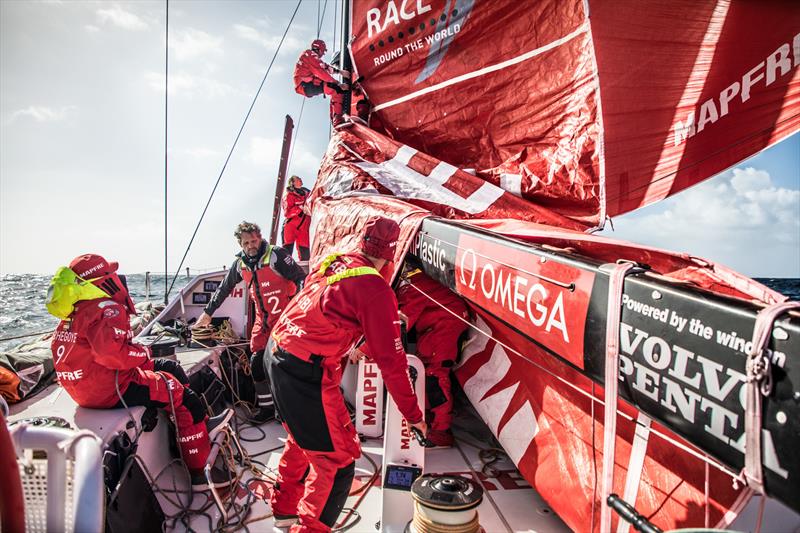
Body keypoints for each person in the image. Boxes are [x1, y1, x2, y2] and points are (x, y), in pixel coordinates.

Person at [267, 216, 427, 532]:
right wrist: (414, 415)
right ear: (392, 255)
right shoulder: (376, 289)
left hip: (277, 353)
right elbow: (393, 364)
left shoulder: (336, 260)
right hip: (304, 373)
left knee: (304, 438)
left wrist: (379, 319)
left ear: (362, 241)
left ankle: (284, 510)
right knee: (338, 464)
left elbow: (331, 303)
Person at [48, 254, 233, 489]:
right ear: (102, 279)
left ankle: (193, 429)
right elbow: (111, 355)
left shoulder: (74, 313)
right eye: (111, 273)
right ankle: (199, 472)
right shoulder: (106, 309)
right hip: (109, 388)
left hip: (87, 387)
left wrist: (138, 354)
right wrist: (143, 353)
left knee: (170, 367)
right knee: (178, 392)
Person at [194, 221, 305, 422]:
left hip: (285, 321)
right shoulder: (240, 264)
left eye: (254, 241)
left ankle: (286, 412)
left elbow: (300, 278)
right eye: (246, 243)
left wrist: (303, 308)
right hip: (263, 324)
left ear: (260, 238)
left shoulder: (276, 255)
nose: (251, 246)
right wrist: (207, 313)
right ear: (240, 244)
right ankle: (267, 409)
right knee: (256, 365)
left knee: (281, 366)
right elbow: (223, 289)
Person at [394, 266, 470, 447]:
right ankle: (433, 417)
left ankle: (441, 431)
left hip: (444, 326)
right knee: (429, 371)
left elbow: (398, 324)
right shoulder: (410, 279)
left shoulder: (409, 287)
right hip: (438, 326)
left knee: (435, 374)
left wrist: (364, 349)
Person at [293, 39, 349, 125]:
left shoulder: (310, 56)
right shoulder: (310, 55)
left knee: (332, 89)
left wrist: (340, 72)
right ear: (320, 49)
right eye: (323, 52)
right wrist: (338, 84)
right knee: (336, 89)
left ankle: (335, 117)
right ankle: (337, 120)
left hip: (305, 84)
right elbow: (321, 72)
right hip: (305, 85)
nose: (323, 54)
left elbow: (325, 67)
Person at [282, 176, 311, 262]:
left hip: (304, 228)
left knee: (305, 255)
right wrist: (300, 208)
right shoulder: (289, 195)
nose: (301, 180)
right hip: (291, 227)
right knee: (286, 253)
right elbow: (287, 213)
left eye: (300, 178)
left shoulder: (307, 193)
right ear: (292, 183)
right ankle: (286, 272)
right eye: (298, 179)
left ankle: (305, 274)